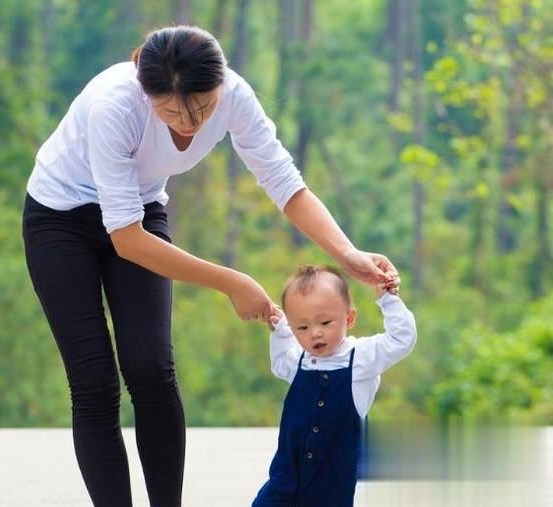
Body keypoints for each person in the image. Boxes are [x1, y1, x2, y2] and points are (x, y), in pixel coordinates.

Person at [22, 25, 400, 507]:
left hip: (138, 209)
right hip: (60, 222)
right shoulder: (113, 105)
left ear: (219, 85)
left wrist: (348, 255)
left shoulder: (235, 96)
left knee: (152, 369)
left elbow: (285, 182)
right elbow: (127, 240)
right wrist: (232, 281)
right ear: (144, 88)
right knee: (94, 382)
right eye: (170, 111)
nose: (188, 123)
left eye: (201, 107)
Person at [253, 265, 416, 507]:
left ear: (349, 318)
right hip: (284, 481)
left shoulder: (361, 358)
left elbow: (401, 339)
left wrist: (389, 301)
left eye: (325, 322)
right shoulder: (299, 360)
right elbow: (279, 363)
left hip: (330, 489)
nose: (315, 334)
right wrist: (281, 331)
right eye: (303, 327)